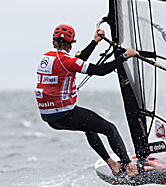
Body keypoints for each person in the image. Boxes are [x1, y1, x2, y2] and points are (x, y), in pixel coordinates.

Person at [35, 23, 149, 178]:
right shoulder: (67, 61)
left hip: (50, 118)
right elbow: (99, 71)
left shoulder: (46, 58)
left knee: (89, 127)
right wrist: (125, 56)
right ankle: (129, 166)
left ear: (54, 40)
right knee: (110, 129)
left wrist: (95, 42)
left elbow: (75, 62)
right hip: (65, 113)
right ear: (70, 43)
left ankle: (113, 164)